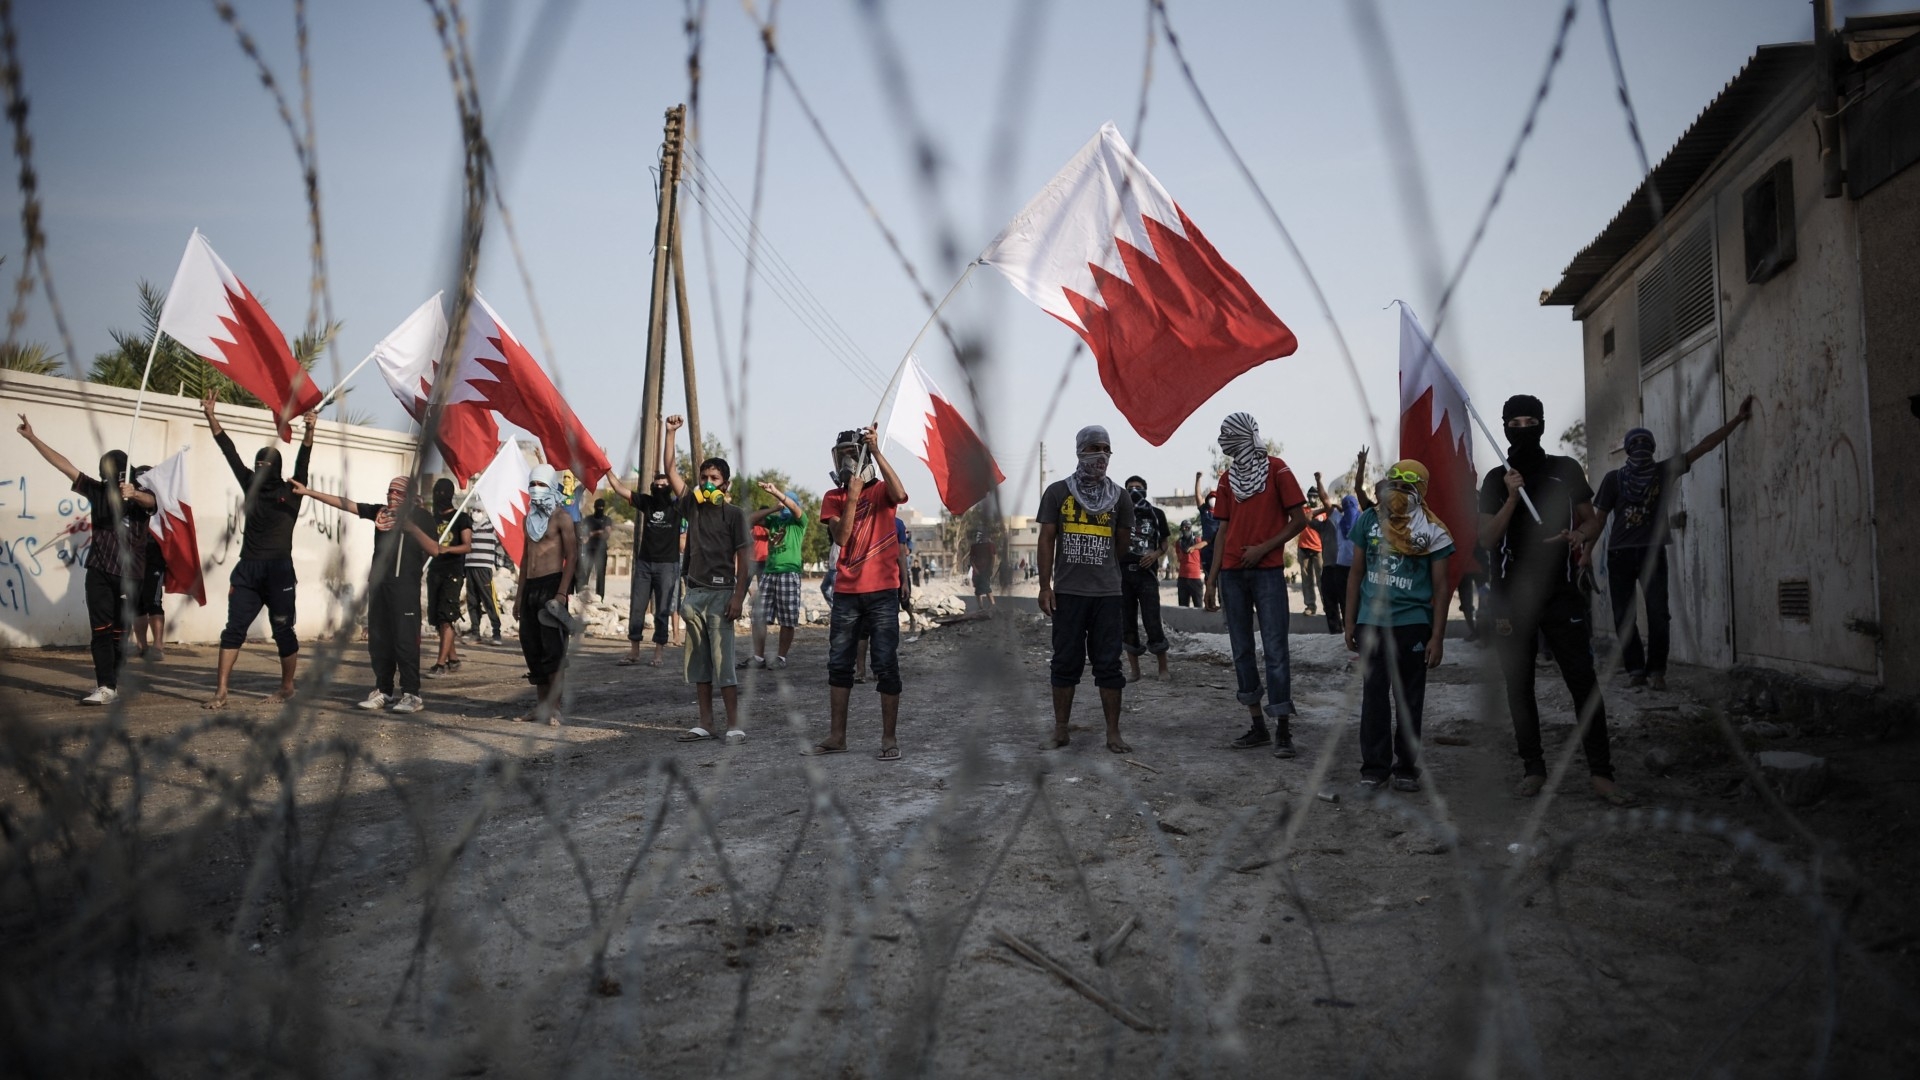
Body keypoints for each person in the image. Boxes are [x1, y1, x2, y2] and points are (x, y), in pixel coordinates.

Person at [1479, 394, 1627, 804]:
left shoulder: (1565, 469)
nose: (1523, 428)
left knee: (1583, 682)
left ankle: (1601, 773)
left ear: (1542, 424)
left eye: (1531, 421)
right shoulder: (1496, 479)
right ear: (1504, 425)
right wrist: (1511, 497)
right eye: (1515, 421)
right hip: (1511, 599)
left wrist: (1582, 535)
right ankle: (1533, 768)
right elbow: (1486, 538)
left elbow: (1593, 519)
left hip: (1561, 595)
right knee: (1519, 688)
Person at [1592, 396, 1754, 691]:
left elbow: (1704, 446)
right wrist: (1583, 554)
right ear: (1628, 449)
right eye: (1635, 444)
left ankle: (1657, 672)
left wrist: (1737, 420)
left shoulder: (1663, 471)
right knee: (1623, 615)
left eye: (1645, 444)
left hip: (1652, 553)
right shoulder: (1613, 479)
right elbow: (1599, 521)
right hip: (1619, 555)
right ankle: (1636, 671)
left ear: (1652, 449)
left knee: (1658, 613)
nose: (1641, 448)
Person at [16, 416, 155, 704]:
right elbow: (64, 465)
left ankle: (113, 681)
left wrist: (136, 494)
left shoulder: (141, 491)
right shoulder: (96, 490)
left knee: (119, 633)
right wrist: (32, 438)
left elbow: (153, 503)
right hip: (98, 570)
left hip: (130, 575)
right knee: (101, 631)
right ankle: (105, 685)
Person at [1345, 460, 1454, 794]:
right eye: (1394, 482)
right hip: (1372, 625)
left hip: (1413, 627)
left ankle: (1406, 767)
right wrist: (1350, 621)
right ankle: (1375, 768)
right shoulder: (1368, 520)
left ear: (1421, 490)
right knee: (1373, 697)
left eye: (1409, 485)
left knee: (1409, 700)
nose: (1399, 490)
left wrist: (1437, 637)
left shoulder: (1434, 531)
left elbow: (1441, 589)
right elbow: (1356, 573)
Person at [1203, 412, 1309, 757]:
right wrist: (1212, 579)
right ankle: (1257, 726)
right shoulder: (1227, 479)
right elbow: (1222, 531)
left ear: (1246, 436)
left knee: (1276, 651)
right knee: (1241, 650)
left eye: (1229, 435)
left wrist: (1264, 548)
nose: (1224, 442)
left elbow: (1300, 520)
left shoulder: (1277, 469)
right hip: (1232, 575)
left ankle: (1282, 730)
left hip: (1267, 572)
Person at [292, 475, 440, 714]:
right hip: (379, 585)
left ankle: (412, 694)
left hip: (404, 587)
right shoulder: (381, 513)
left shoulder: (421, 516)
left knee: (404, 641)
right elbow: (346, 504)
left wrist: (411, 528)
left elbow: (435, 549)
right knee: (380, 641)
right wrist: (309, 493)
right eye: (389, 491)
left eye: (398, 493)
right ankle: (384, 690)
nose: (392, 496)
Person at [203, 393, 314, 710]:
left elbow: (303, 459)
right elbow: (229, 452)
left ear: (277, 468)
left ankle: (287, 687)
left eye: (266, 465)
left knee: (283, 630)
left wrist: (310, 430)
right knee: (233, 630)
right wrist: (211, 415)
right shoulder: (249, 483)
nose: (261, 469)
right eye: (258, 465)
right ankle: (221, 691)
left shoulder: (291, 491)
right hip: (247, 570)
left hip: (279, 571)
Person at [805, 426, 908, 760]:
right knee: (839, 664)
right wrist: (852, 494)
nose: (848, 462)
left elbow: (901, 493)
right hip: (847, 592)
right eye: (843, 456)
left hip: (882, 592)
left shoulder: (880, 493)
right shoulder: (832, 499)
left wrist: (876, 451)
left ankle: (889, 739)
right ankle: (837, 736)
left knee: (885, 664)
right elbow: (842, 538)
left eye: (854, 455)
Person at [1038, 426, 1135, 753]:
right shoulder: (1057, 492)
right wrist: (1044, 586)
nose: (1102, 455)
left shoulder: (1120, 497)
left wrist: (1103, 567)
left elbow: (1122, 545)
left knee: (1109, 664)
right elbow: (1047, 540)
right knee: (1065, 661)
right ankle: (1061, 730)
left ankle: (1113, 733)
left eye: (1107, 449)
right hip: (1068, 593)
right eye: (1095, 447)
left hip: (1108, 595)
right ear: (1081, 450)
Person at [607, 455, 686, 667]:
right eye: (657, 484)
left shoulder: (677, 506)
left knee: (662, 610)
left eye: (664, 484)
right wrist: (606, 466)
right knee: (637, 608)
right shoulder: (647, 502)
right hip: (644, 564)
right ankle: (634, 652)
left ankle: (658, 654)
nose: (660, 486)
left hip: (668, 565)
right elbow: (618, 488)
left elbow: (681, 484)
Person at [515, 463, 578, 725]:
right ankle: (540, 707)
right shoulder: (527, 519)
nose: (536, 489)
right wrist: (519, 597)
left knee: (554, 651)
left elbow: (572, 556)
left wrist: (562, 593)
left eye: (541, 484)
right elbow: (525, 557)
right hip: (530, 587)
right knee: (532, 648)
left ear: (552, 485)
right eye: (532, 484)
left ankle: (555, 708)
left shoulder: (562, 517)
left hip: (552, 587)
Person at [742, 482, 806, 669]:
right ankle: (759, 657)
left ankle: (781, 657)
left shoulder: (799, 522)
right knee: (758, 616)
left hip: (789, 573)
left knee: (787, 619)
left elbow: (795, 509)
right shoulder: (774, 522)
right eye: (782, 502)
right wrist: (772, 509)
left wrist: (780, 496)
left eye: (787, 502)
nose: (784, 505)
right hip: (769, 573)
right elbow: (750, 520)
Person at [1120, 475, 1170, 682]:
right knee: (1127, 623)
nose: (1134, 490)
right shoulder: (1119, 513)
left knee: (1152, 621)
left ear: (1145, 490)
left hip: (1147, 575)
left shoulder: (1156, 514)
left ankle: (1163, 669)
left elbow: (1165, 542)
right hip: (1123, 575)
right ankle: (1135, 671)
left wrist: (1155, 555)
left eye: (1138, 487)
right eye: (1130, 488)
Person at [425, 478, 472, 678]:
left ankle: (440, 664)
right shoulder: (432, 518)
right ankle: (453, 659)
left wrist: (446, 549)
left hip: (452, 572)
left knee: (446, 617)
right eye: (437, 493)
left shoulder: (461, 518)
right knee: (438, 619)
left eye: (443, 493)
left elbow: (468, 546)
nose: (439, 497)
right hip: (434, 571)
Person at [128, 464, 168, 661]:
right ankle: (142, 645)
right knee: (136, 603)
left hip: (155, 557)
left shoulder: (160, 500)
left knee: (153, 600)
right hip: (135, 558)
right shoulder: (132, 502)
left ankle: (158, 646)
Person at [464, 505, 505, 646]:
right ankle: (475, 633)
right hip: (470, 567)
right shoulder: (468, 527)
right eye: (473, 510)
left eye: (478, 511)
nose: (475, 513)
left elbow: (501, 543)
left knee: (489, 600)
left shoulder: (491, 528)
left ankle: (496, 632)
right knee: (472, 601)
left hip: (484, 568)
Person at [1295, 487, 1323, 618]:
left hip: (1318, 549)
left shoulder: (1324, 512)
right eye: (1309, 496)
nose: (1311, 499)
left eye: (1314, 496)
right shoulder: (1304, 511)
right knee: (1307, 579)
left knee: (1322, 579)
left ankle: (1328, 605)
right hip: (1304, 547)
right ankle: (1310, 605)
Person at [582, 498, 613, 600]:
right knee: (586, 573)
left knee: (600, 575)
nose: (600, 509)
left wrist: (593, 533)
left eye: (602, 507)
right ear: (594, 507)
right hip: (589, 550)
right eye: (598, 507)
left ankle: (600, 598)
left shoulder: (607, 520)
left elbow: (607, 534)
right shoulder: (588, 519)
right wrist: (599, 532)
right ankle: (583, 595)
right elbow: (583, 533)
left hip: (601, 551)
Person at [969, 529, 997, 615]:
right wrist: (975, 569)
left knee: (986, 587)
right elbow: (971, 559)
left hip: (986, 569)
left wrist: (990, 568)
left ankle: (992, 605)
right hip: (977, 571)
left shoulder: (990, 545)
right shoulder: (974, 546)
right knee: (978, 589)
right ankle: (981, 607)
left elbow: (993, 557)